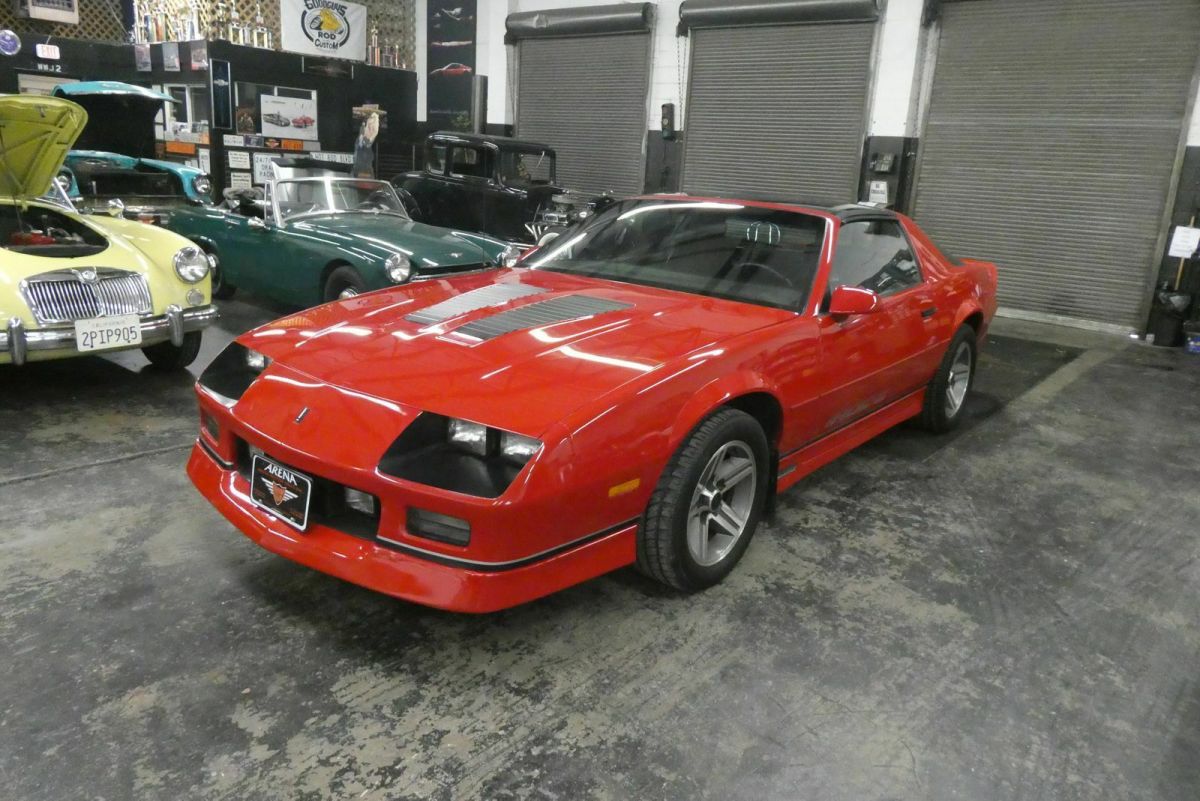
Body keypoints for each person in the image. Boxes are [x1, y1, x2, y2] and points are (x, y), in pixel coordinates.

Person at [352, 112, 380, 178]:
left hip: (366, 168)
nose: (370, 126)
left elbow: (368, 143)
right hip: (359, 166)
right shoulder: (363, 131)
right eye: (369, 124)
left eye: (372, 125)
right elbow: (361, 142)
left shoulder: (373, 133)